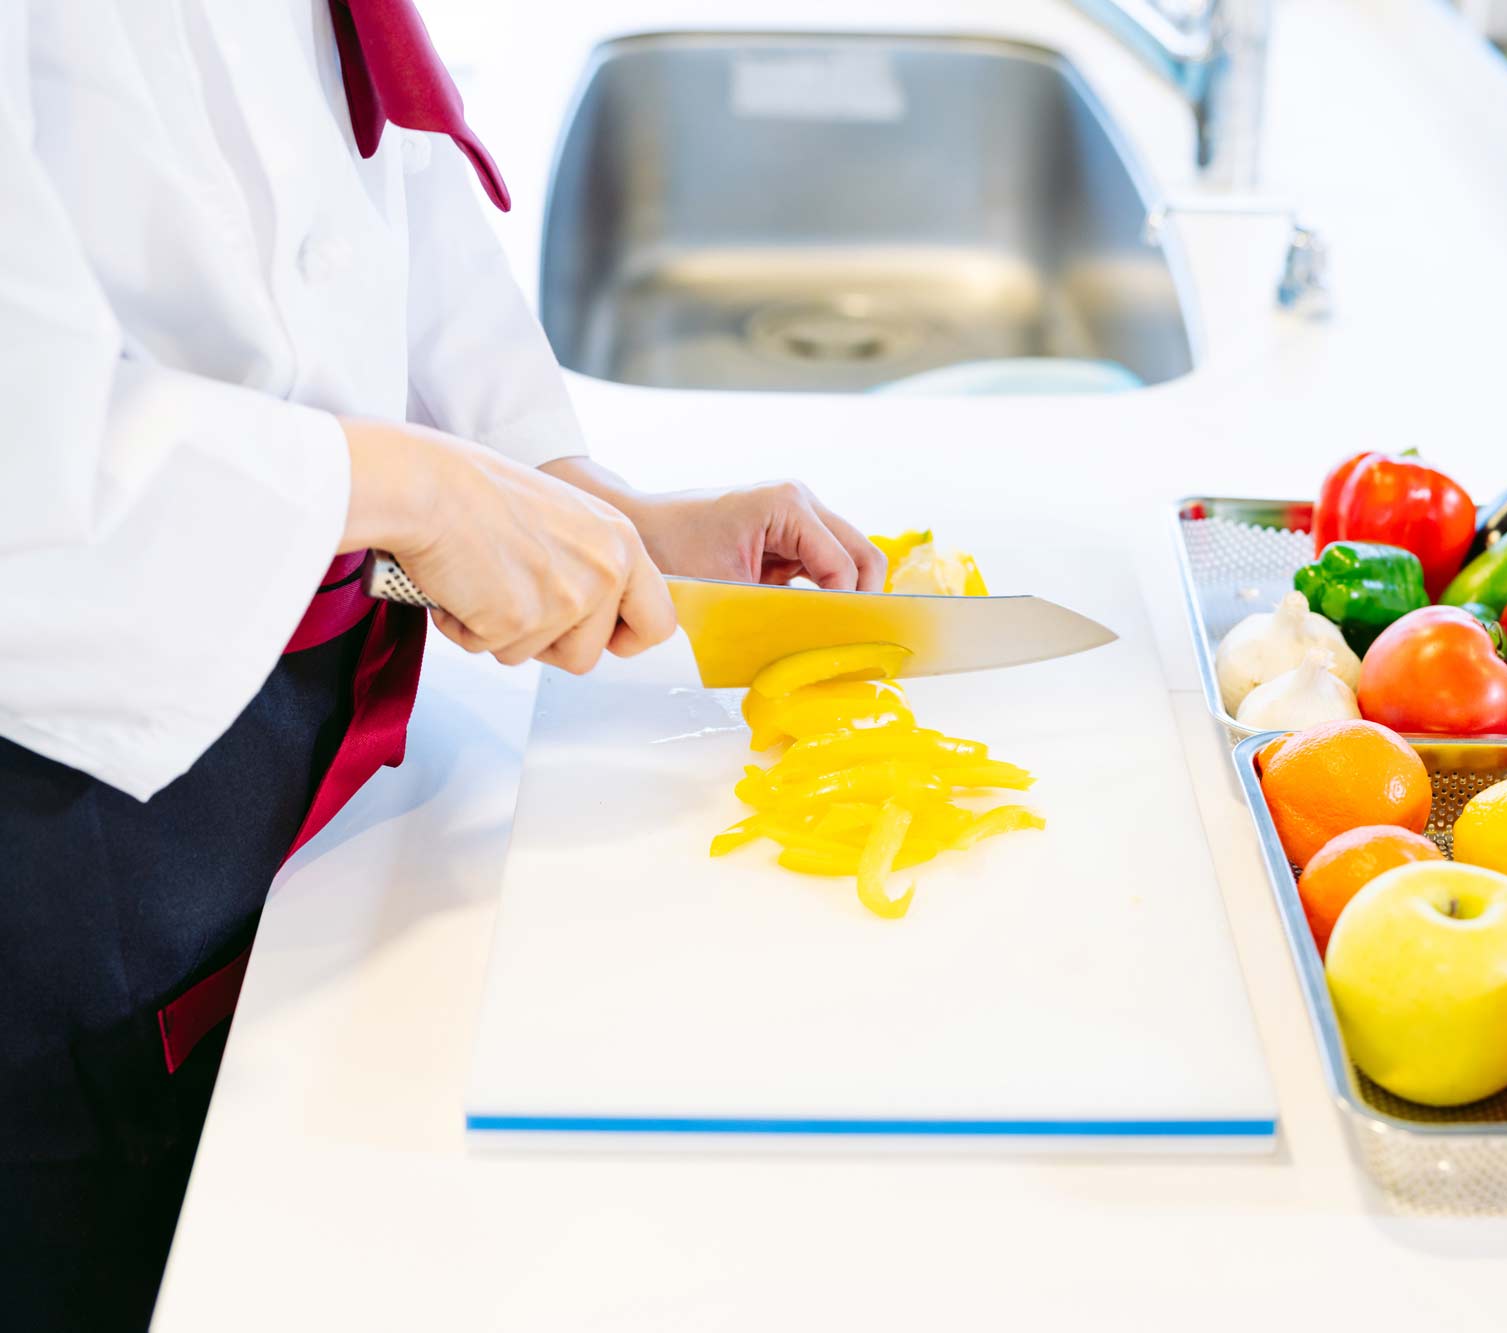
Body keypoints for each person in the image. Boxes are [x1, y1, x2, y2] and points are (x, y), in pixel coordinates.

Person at [0, 3, 887, 1326]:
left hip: (302, 767)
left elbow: (347, 183)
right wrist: (409, 488)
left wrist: (575, 496)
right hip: (70, 828)